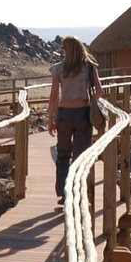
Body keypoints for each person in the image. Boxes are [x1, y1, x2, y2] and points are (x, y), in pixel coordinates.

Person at [48, 36, 100, 202]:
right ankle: (77, 190)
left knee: (63, 154)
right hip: (83, 113)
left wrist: (50, 118)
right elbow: (99, 91)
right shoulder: (89, 67)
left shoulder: (58, 69)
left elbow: (54, 96)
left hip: (64, 114)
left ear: (66, 50)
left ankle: (64, 192)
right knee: (80, 155)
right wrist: (91, 100)